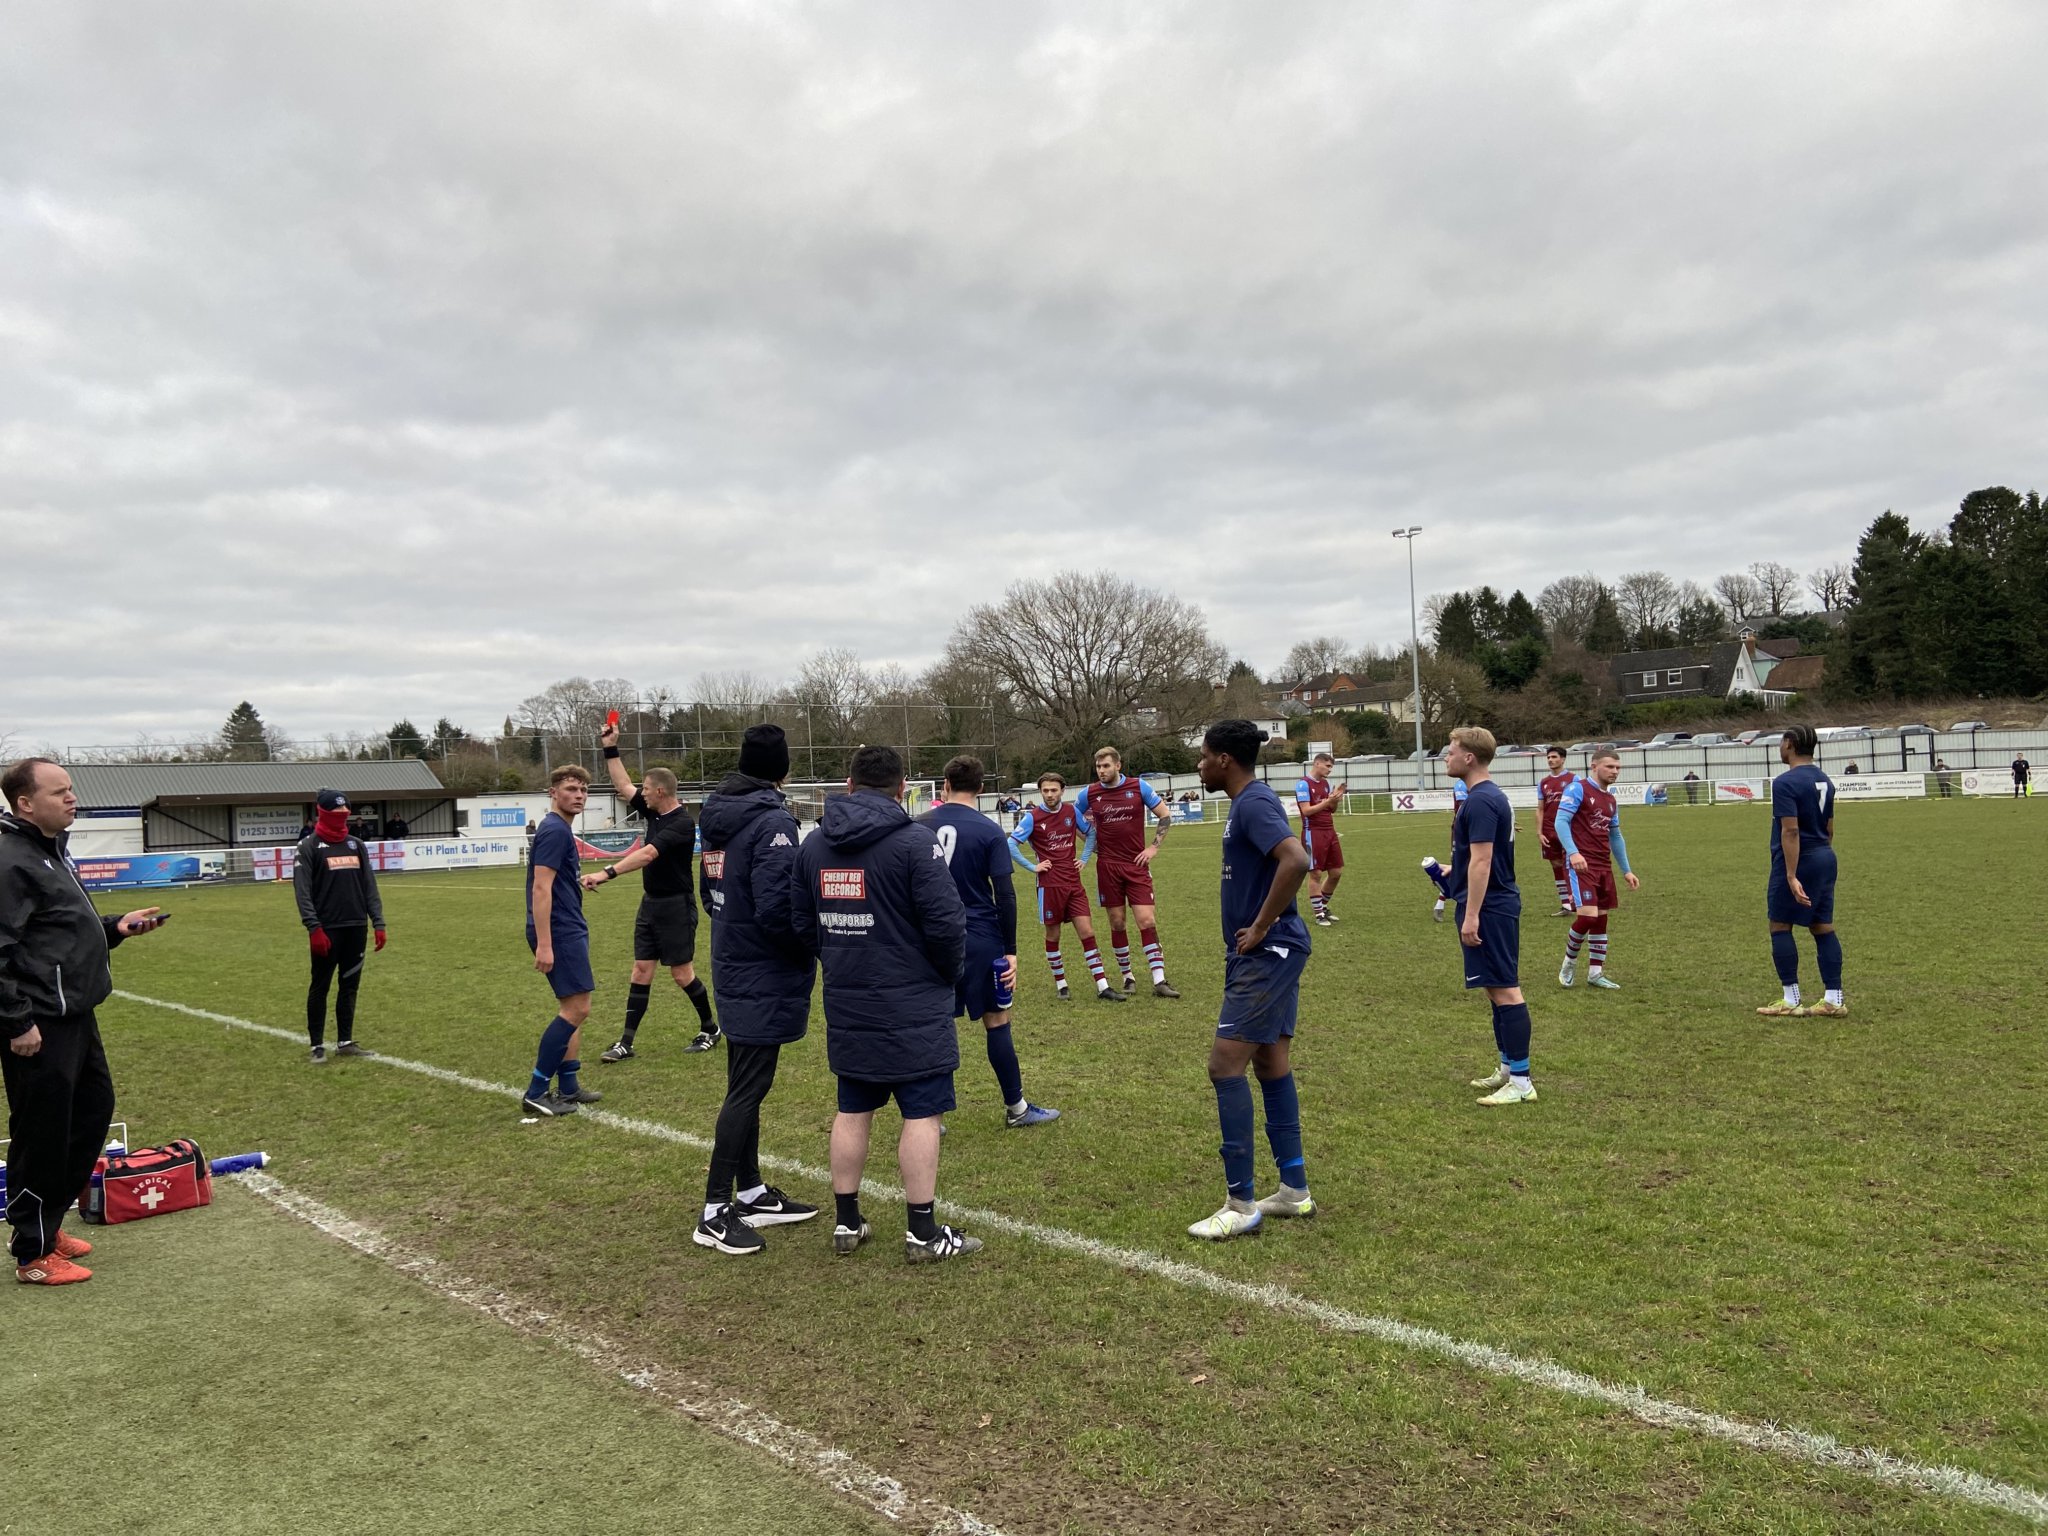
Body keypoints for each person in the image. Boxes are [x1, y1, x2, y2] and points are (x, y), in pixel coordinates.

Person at [792, 745, 979, 1263]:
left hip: (851, 1001)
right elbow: (947, 924)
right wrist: (946, 976)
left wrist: (842, 959)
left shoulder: (812, 847)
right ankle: (922, 1232)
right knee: (922, 1111)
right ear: (902, 789)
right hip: (914, 1000)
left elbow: (802, 924)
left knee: (853, 1107)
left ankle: (847, 1222)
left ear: (848, 785)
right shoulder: (915, 844)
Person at [1, 758, 170, 1285]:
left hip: (76, 1014)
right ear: (25, 803)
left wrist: (114, 927)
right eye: (60, 791)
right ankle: (32, 1253)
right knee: (44, 1133)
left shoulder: (51, 852)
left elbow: (59, 931)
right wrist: (15, 1021)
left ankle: (46, 1227)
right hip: (37, 1024)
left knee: (91, 1113)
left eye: (71, 789)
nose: (72, 798)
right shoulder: (10, 860)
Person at [690, 725, 820, 1257]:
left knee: (747, 1080)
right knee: (748, 1086)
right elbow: (778, 907)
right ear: (781, 770)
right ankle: (715, 1210)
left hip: (732, 959)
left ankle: (750, 1190)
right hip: (762, 969)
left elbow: (708, 894)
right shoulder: (772, 822)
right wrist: (813, 944)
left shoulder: (717, 817)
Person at [1186, 722, 1315, 1241]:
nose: (1199, 765)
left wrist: (1260, 926)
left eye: (1203, 757)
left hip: (1269, 950)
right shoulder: (1248, 802)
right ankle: (1294, 1189)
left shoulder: (1252, 803)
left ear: (1223, 761)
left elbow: (1297, 859)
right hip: (1272, 949)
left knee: (1224, 1066)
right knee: (1270, 1061)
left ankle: (1240, 1203)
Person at [922, 756, 1059, 1128]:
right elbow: (1006, 895)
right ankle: (1017, 1109)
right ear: (981, 789)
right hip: (980, 937)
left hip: (929, 939)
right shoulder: (989, 830)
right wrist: (1011, 951)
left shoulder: (918, 826)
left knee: (935, 1023)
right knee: (997, 1020)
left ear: (945, 785)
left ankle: (930, 1116)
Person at [589, 722, 718, 1062]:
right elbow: (621, 783)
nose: (640, 793)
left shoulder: (681, 823)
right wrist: (610, 747)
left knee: (681, 974)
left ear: (660, 792)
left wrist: (607, 872)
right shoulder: (653, 811)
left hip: (676, 906)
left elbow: (647, 854)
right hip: (651, 905)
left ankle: (710, 1029)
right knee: (640, 971)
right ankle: (626, 1043)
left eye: (646, 789)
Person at [1443, 728, 1539, 1106]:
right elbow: (1479, 858)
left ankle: (1521, 1080)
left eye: (1451, 751)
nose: (1445, 757)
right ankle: (1507, 1067)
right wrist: (1457, 868)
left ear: (1469, 758)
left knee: (1505, 989)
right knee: (1494, 989)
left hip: (1491, 907)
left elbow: (1484, 861)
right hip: (1491, 901)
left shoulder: (1482, 800)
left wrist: (1472, 914)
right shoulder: (1485, 796)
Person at [521, 765, 600, 1116]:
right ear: (553, 793)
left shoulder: (560, 829)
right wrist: (545, 942)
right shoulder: (554, 830)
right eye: (570, 789)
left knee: (575, 1007)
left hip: (568, 925)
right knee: (577, 1009)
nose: (578, 795)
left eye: (583, 790)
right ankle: (537, 1091)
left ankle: (568, 1087)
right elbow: (541, 887)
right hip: (559, 930)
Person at [1072, 747, 1180, 997]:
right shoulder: (1089, 793)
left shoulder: (1138, 786)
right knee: (1117, 922)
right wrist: (1092, 845)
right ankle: (1127, 977)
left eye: (1106, 766)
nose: (1101, 771)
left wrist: (1153, 847)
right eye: (1098, 767)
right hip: (1108, 867)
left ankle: (1159, 980)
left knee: (1146, 920)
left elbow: (1164, 815)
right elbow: (1073, 819)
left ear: (1118, 765)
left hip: (1136, 865)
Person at [1009, 773, 1123, 1003]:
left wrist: (1084, 857)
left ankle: (1103, 986)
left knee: (1087, 932)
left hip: (1073, 884)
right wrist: (1033, 867)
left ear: (1062, 791)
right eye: (1045, 791)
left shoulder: (1071, 812)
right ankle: (1061, 984)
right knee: (1053, 934)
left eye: (1054, 790)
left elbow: (1090, 833)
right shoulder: (1033, 817)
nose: (1049, 794)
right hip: (1049, 886)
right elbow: (1010, 843)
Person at [1757, 725, 1846, 1018]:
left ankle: (1790, 999)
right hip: (1825, 855)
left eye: (1782, 742)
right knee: (1822, 926)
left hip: (1799, 858)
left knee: (1780, 925)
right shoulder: (1825, 780)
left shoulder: (1785, 782)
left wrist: (1792, 874)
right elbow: (1830, 829)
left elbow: (1790, 830)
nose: (1780, 747)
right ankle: (1833, 999)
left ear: (1790, 744)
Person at [293, 788, 386, 1063]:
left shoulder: (356, 845)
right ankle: (317, 1045)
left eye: (345, 812)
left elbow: (369, 886)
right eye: (335, 812)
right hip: (326, 929)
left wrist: (377, 922)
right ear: (322, 813)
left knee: (349, 985)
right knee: (320, 985)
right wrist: (314, 927)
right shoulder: (308, 846)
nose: (341, 816)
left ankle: (345, 1041)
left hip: (356, 926)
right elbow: (302, 891)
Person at [1554, 750, 1641, 991]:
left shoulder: (1611, 800)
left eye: (1617, 768)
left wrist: (1627, 870)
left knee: (1601, 919)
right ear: (1594, 766)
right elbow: (1560, 822)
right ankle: (1569, 963)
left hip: (1603, 865)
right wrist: (1573, 852)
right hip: (1581, 864)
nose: (1614, 771)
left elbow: (1615, 835)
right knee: (1588, 916)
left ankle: (1595, 973)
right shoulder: (1577, 789)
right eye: (1610, 767)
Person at [1293, 751, 1345, 927]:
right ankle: (1319, 914)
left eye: (1331, 767)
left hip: (1329, 830)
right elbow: (1306, 811)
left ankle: (1323, 906)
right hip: (1312, 832)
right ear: (1317, 763)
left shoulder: (1325, 783)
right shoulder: (1303, 785)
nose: (1330, 770)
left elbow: (1331, 810)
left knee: (1336, 872)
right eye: (1328, 766)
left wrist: (1335, 800)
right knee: (1315, 873)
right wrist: (1327, 800)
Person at [1534, 747, 1578, 917]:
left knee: (1572, 864)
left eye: (1554, 757)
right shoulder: (1543, 782)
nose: (1551, 760)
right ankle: (1566, 904)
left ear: (1563, 759)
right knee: (1556, 865)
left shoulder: (1573, 779)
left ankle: (1577, 900)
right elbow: (1540, 809)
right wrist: (1539, 832)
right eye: (1549, 757)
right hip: (1549, 831)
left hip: (1568, 830)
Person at [1433, 777, 1468, 922]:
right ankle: (1436, 876)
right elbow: (1462, 807)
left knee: (1465, 869)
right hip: (1463, 831)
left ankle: (1440, 905)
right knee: (1461, 868)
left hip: (1471, 829)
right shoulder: (1461, 784)